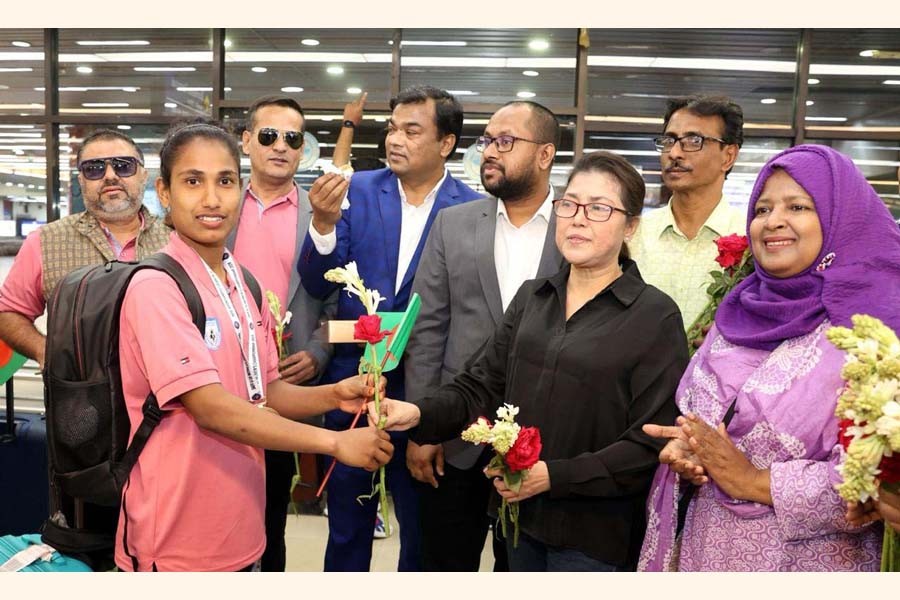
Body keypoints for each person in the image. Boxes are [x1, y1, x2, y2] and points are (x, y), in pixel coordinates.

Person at [374, 151, 688, 572]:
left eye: (598, 208)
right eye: (569, 205)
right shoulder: (533, 298)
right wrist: (416, 412)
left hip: (594, 535)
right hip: (520, 518)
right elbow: (481, 386)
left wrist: (554, 475)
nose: (578, 219)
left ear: (630, 225)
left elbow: (650, 440)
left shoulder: (654, 316)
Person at [113, 122, 393, 572]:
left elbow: (266, 392)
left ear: (239, 188)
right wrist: (335, 443)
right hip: (174, 537)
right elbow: (211, 408)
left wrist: (334, 394)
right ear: (164, 192)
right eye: (192, 181)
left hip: (242, 526)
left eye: (224, 181)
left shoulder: (243, 283)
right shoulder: (157, 286)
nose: (211, 199)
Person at [639, 144, 900, 572]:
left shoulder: (876, 325)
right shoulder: (739, 309)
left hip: (808, 564)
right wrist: (694, 451)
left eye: (797, 206)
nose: (773, 220)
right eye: (762, 209)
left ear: (840, 218)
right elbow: (718, 421)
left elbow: (880, 480)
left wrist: (753, 480)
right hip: (705, 551)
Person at [298, 85, 481, 571]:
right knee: (346, 525)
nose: (394, 140)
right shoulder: (356, 190)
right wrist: (322, 224)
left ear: (446, 143)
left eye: (411, 131)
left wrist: (439, 415)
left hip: (424, 396)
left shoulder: (472, 211)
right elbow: (316, 281)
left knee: (419, 531)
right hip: (352, 385)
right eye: (392, 128)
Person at [404, 100, 564, 571]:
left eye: (506, 141)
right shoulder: (453, 224)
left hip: (542, 445)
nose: (489, 152)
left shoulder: (574, 229)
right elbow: (427, 329)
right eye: (487, 140)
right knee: (443, 565)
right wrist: (425, 427)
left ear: (545, 154)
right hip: (456, 441)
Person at [228, 95, 339, 571]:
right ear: (246, 141)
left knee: (272, 512)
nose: (280, 147)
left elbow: (339, 297)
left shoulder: (324, 214)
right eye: (269, 135)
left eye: (293, 139)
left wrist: (318, 351)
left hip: (285, 384)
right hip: (218, 380)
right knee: (219, 504)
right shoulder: (220, 205)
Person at [0, 129, 170, 369]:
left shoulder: (176, 238)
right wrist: (44, 351)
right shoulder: (45, 241)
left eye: (123, 166)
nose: (110, 176)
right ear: (81, 180)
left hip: (169, 386)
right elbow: (8, 312)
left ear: (143, 175)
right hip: (81, 389)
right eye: (94, 168)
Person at [630, 95, 747, 330]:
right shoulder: (632, 234)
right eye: (669, 140)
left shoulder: (752, 240)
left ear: (728, 156)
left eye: (694, 141)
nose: (674, 153)